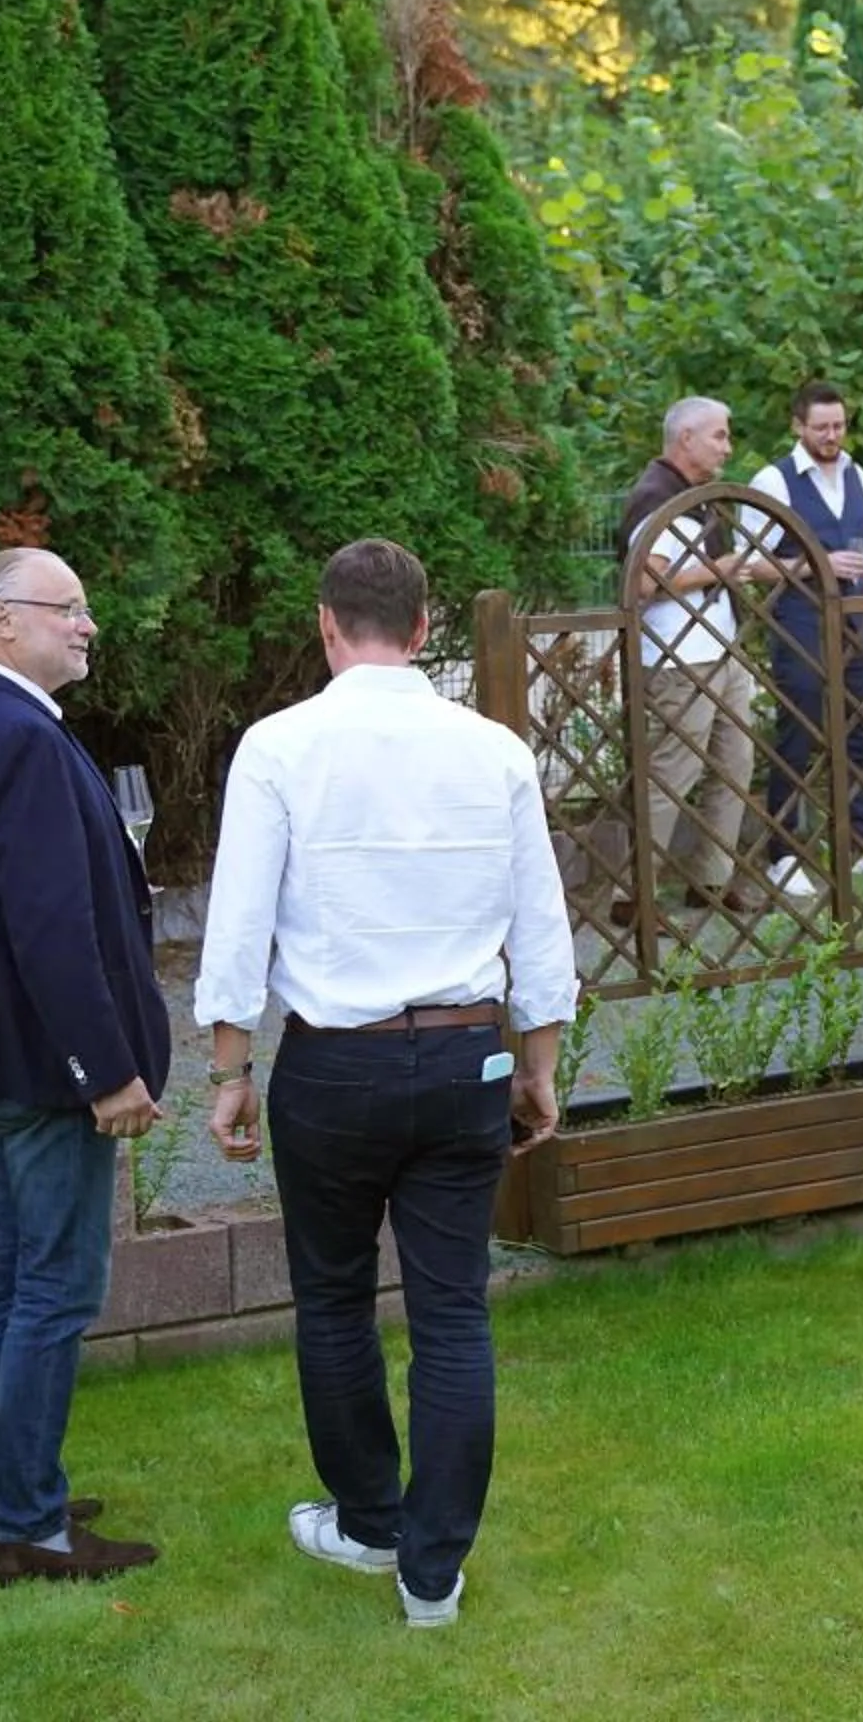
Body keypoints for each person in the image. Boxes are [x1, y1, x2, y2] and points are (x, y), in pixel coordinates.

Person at [196, 538, 576, 1632]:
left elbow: (239, 924)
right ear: (423, 631)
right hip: (468, 1056)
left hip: (333, 1063)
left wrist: (228, 1068)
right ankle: (432, 1571)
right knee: (453, 1309)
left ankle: (372, 1522)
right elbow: (539, 922)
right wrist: (539, 1064)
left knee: (333, 1296)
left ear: (326, 625)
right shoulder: (494, 749)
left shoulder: (277, 745)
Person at [0, 547, 170, 1587]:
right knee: (51, 1287)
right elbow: (51, 927)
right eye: (71, 608)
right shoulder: (21, 741)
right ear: (4, 621)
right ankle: (31, 1524)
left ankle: (9, 1494)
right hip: (45, 1070)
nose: (88, 625)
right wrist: (106, 1068)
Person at [746, 382, 863, 898]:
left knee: (859, 729)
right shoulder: (774, 480)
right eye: (821, 427)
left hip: (858, 620)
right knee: (799, 730)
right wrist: (815, 565)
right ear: (797, 426)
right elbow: (752, 564)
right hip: (801, 619)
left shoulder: (858, 474)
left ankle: (857, 842)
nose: (832, 436)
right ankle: (784, 852)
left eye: (838, 426)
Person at [618, 396, 764, 919]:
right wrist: (715, 571)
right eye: (719, 435)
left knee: (734, 764)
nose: (727, 445)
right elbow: (643, 581)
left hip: (716, 650)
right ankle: (634, 896)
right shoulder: (656, 496)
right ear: (686, 438)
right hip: (680, 657)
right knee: (670, 777)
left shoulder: (693, 494)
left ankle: (711, 880)